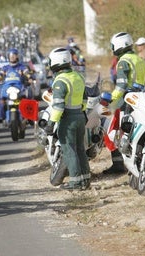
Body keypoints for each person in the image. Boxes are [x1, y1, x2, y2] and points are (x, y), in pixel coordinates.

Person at [44, 47, 90, 190]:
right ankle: (85, 180)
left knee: (69, 151)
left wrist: (51, 123)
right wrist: (81, 112)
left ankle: (75, 182)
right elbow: (84, 99)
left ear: (55, 62)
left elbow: (58, 107)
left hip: (68, 118)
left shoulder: (60, 81)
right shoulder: (78, 76)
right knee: (80, 149)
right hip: (80, 116)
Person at [104, 32, 145, 175]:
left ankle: (119, 165)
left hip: (126, 101)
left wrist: (111, 98)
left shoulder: (123, 61)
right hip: (140, 100)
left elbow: (121, 85)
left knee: (112, 132)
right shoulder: (138, 59)